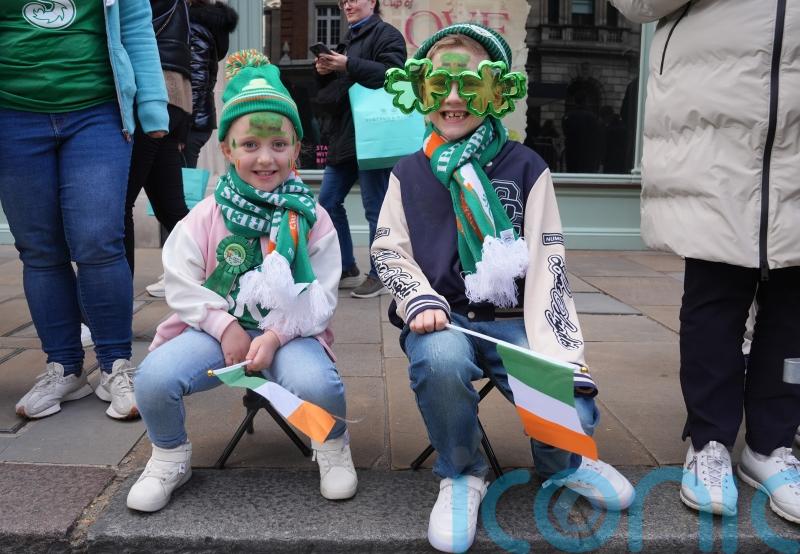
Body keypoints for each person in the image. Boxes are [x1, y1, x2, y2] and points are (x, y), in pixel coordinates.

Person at [372, 24, 635, 552]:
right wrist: (418, 299)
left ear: (495, 93)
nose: (452, 99)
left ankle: (562, 465)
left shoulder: (526, 166)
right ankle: (462, 474)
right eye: (439, 85)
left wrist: (565, 356)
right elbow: (387, 250)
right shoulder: (407, 172)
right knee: (441, 361)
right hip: (441, 318)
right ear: (421, 90)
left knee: (574, 412)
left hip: (514, 324)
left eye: (468, 85)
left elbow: (549, 266)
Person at [126, 51, 357, 512]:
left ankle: (331, 446)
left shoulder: (314, 218)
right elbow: (179, 280)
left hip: (289, 333)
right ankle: (170, 455)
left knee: (320, 384)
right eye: (250, 145)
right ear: (228, 150)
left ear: (296, 149)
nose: (265, 158)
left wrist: (273, 336)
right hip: (217, 333)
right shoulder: (206, 215)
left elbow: (321, 294)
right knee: (152, 379)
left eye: (278, 145)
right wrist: (223, 326)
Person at [611, 0, 800, 523]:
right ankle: (710, 440)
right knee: (715, 296)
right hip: (717, 117)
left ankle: (771, 446)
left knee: (795, 308)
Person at [0, 0, 168, 420]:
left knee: (98, 241)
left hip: (97, 112)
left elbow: (135, 28)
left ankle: (115, 366)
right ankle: (64, 368)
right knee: (39, 248)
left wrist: (152, 105)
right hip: (11, 115)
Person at [313, 0, 406, 298]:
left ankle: (381, 273)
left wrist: (347, 64)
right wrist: (325, 69)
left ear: (373, 2)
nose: (348, 4)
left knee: (375, 206)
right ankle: (346, 265)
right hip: (346, 134)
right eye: (343, 1)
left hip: (375, 133)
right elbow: (338, 90)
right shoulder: (348, 40)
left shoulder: (387, 34)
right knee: (327, 201)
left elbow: (394, 76)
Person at [126, 0, 193, 297]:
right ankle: (218, 276)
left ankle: (112, 304)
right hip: (174, 94)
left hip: (150, 92)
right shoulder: (185, 7)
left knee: (118, 206)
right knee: (172, 208)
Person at [183, 0, 238, 169]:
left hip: (190, 123)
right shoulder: (206, 27)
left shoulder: (194, 30)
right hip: (197, 121)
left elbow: (196, 83)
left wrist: (182, 127)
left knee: (180, 185)